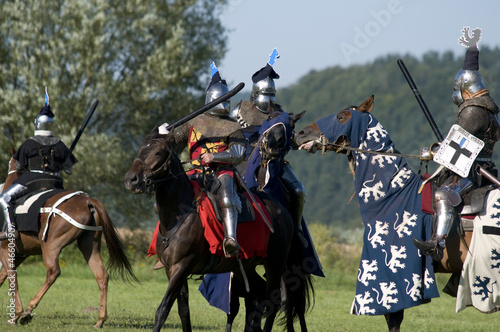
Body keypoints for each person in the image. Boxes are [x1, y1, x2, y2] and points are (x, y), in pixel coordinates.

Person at [413, 27, 500, 261]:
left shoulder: (472, 111)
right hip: (484, 168)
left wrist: (431, 152)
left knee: (443, 194)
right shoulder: (488, 109)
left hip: (470, 173)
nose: (456, 94)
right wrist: (472, 49)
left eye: (457, 89)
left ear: (465, 90)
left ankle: (437, 242)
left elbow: (454, 150)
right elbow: (471, 70)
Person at [160, 63, 246, 257]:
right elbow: (172, 144)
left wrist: (214, 156)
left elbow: (239, 152)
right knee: (170, 199)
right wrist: (164, 135)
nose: (225, 105)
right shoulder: (194, 122)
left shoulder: (232, 125)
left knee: (226, 197)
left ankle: (230, 239)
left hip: (222, 171)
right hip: (195, 172)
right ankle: (165, 245)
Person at [230, 48, 308, 246]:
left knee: (298, 190)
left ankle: (296, 231)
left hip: (273, 162)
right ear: (255, 92)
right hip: (242, 160)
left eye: (272, 94)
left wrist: (303, 142)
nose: (269, 99)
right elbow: (226, 135)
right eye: (266, 93)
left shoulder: (279, 114)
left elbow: (290, 141)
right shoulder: (239, 110)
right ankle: (229, 235)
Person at [0, 89, 77, 240]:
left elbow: (19, 168)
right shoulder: (60, 144)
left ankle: (10, 229)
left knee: (4, 198)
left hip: (32, 182)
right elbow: (69, 170)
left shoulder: (29, 144)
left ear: (37, 125)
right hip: (55, 183)